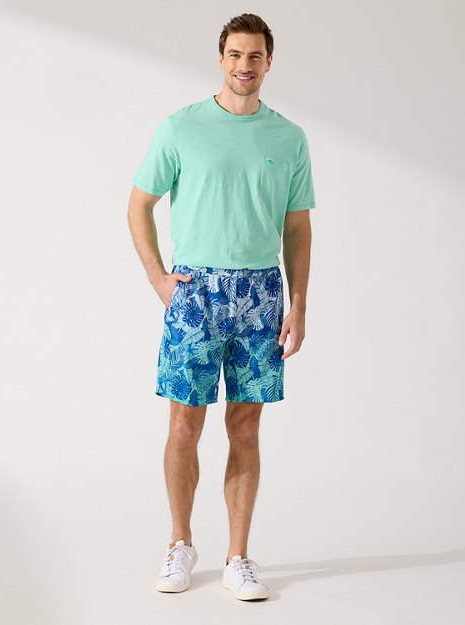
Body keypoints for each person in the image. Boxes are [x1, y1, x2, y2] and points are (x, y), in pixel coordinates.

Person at [127, 13, 316, 601]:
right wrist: (159, 279)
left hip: (261, 295)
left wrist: (299, 303)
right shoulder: (181, 127)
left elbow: (297, 228)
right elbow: (138, 204)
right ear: (221, 58)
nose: (244, 65)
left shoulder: (288, 138)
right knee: (185, 423)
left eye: (255, 55)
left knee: (246, 426)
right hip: (196, 293)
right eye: (235, 54)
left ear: (269, 62)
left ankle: (238, 556)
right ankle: (180, 543)